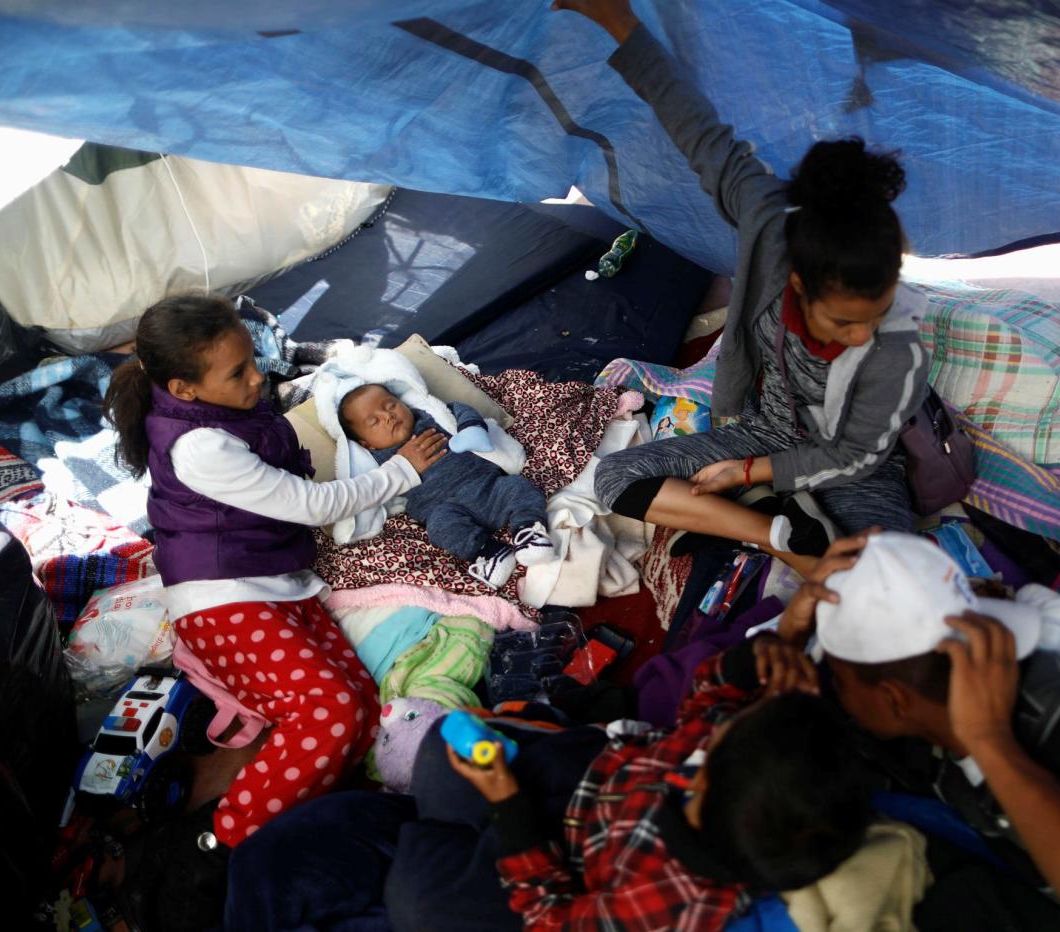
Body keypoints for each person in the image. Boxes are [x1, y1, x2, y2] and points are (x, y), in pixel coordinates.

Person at [225, 584, 873, 932]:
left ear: (702, 785)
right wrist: (768, 647)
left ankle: (447, 836)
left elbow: (552, 915)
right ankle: (445, 824)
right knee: (438, 754)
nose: (726, 720)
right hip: (583, 777)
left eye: (734, 727)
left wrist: (509, 806)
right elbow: (711, 702)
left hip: (553, 855)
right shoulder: (735, 765)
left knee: (422, 897)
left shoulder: (672, 902)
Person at [102, 294, 446, 926]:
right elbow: (316, 506)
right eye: (237, 373)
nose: (258, 377)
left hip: (274, 582)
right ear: (184, 386)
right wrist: (401, 470)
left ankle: (266, 809)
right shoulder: (198, 447)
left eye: (251, 360)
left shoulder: (225, 412)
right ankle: (210, 848)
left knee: (363, 708)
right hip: (221, 601)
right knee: (331, 712)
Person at [557, 0, 930, 576]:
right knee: (614, 478)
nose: (863, 334)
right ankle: (781, 533)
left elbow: (857, 455)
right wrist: (618, 22)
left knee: (894, 571)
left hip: (849, 461)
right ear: (799, 281)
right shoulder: (769, 226)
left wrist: (752, 474)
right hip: (768, 428)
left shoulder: (898, 351)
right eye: (843, 321)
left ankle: (774, 514)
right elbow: (697, 129)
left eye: (877, 312)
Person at [780, 531, 1060, 931]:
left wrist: (990, 743)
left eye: (837, 681)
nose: (831, 692)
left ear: (896, 700)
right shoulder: (936, 715)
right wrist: (789, 638)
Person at [338, 383, 554, 588]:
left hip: (487, 485)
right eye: (374, 422)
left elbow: (459, 409)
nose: (388, 416)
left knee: (518, 487)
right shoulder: (377, 462)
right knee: (439, 528)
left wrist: (471, 427)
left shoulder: (431, 417)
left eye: (390, 405)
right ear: (366, 444)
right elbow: (364, 490)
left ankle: (529, 532)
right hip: (445, 509)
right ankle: (489, 552)